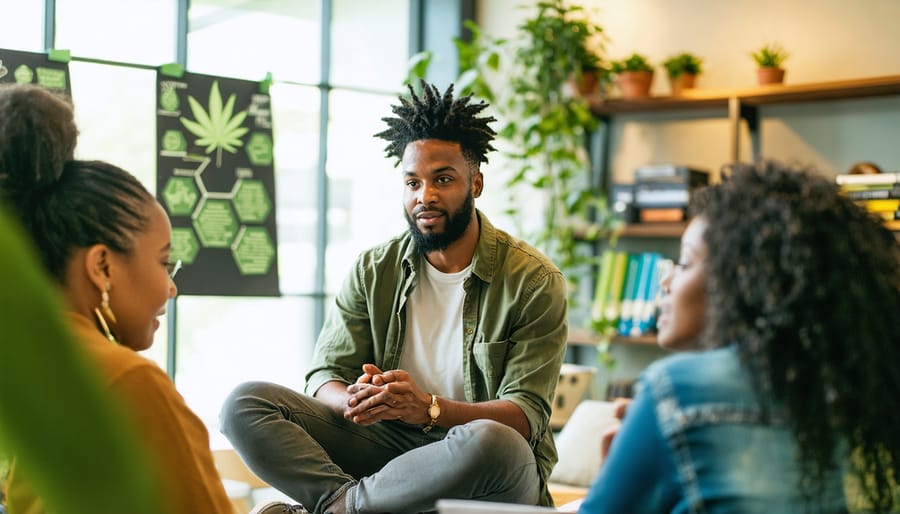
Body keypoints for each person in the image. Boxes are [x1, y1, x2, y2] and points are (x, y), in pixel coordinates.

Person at [220, 81, 569, 514]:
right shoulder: (373, 270)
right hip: (390, 454)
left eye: (443, 179)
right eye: (413, 182)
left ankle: (339, 508)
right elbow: (324, 374)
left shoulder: (532, 279)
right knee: (246, 403)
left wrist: (428, 410)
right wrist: (355, 398)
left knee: (492, 439)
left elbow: (525, 414)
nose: (426, 195)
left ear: (475, 183)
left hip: (488, 468)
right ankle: (344, 504)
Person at [579, 161, 900, 513]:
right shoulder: (863, 396)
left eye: (684, 263)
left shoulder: (676, 391)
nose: (665, 282)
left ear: (743, 280)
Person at [0, 83, 234, 514]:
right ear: (102, 266)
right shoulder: (127, 381)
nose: (171, 287)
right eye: (165, 263)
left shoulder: (26, 371)